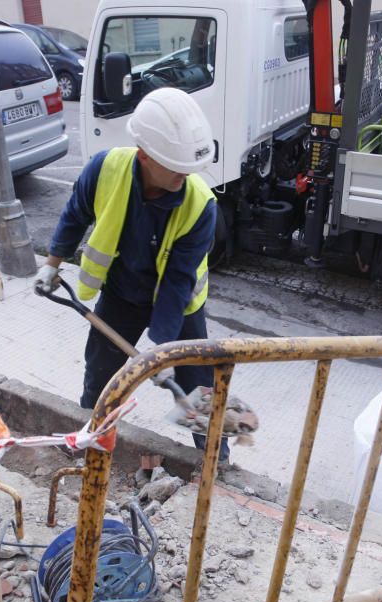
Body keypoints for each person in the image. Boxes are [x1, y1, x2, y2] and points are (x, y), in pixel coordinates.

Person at [35, 87, 230, 462]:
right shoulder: (105, 169)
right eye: (176, 167)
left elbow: (178, 280)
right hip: (122, 293)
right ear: (145, 156)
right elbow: (75, 215)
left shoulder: (200, 204)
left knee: (198, 386)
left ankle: (215, 461)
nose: (186, 176)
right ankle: (91, 437)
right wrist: (51, 265)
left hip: (180, 307)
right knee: (101, 372)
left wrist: (158, 351)